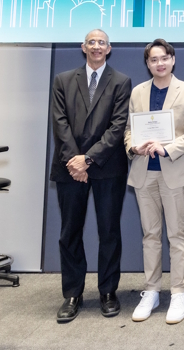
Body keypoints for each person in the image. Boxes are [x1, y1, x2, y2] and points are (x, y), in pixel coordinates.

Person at [49, 29, 133, 323]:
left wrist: (88, 159)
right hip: (68, 167)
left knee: (109, 231)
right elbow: (59, 124)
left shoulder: (121, 81)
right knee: (69, 232)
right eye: (92, 42)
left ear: (109, 49)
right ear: (83, 47)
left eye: (102, 43)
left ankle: (108, 292)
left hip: (106, 167)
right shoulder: (62, 80)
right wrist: (75, 161)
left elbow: (118, 125)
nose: (97, 46)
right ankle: (72, 294)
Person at [125, 39, 184, 325]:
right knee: (150, 235)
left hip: (173, 170)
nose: (159, 63)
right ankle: (152, 290)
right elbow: (129, 129)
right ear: (148, 63)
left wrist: (166, 148)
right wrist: (134, 147)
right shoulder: (138, 92)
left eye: (164, 58)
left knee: (176, 236)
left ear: (172, 60)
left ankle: (179, 292)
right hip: (144, 171)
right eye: (153, 59)